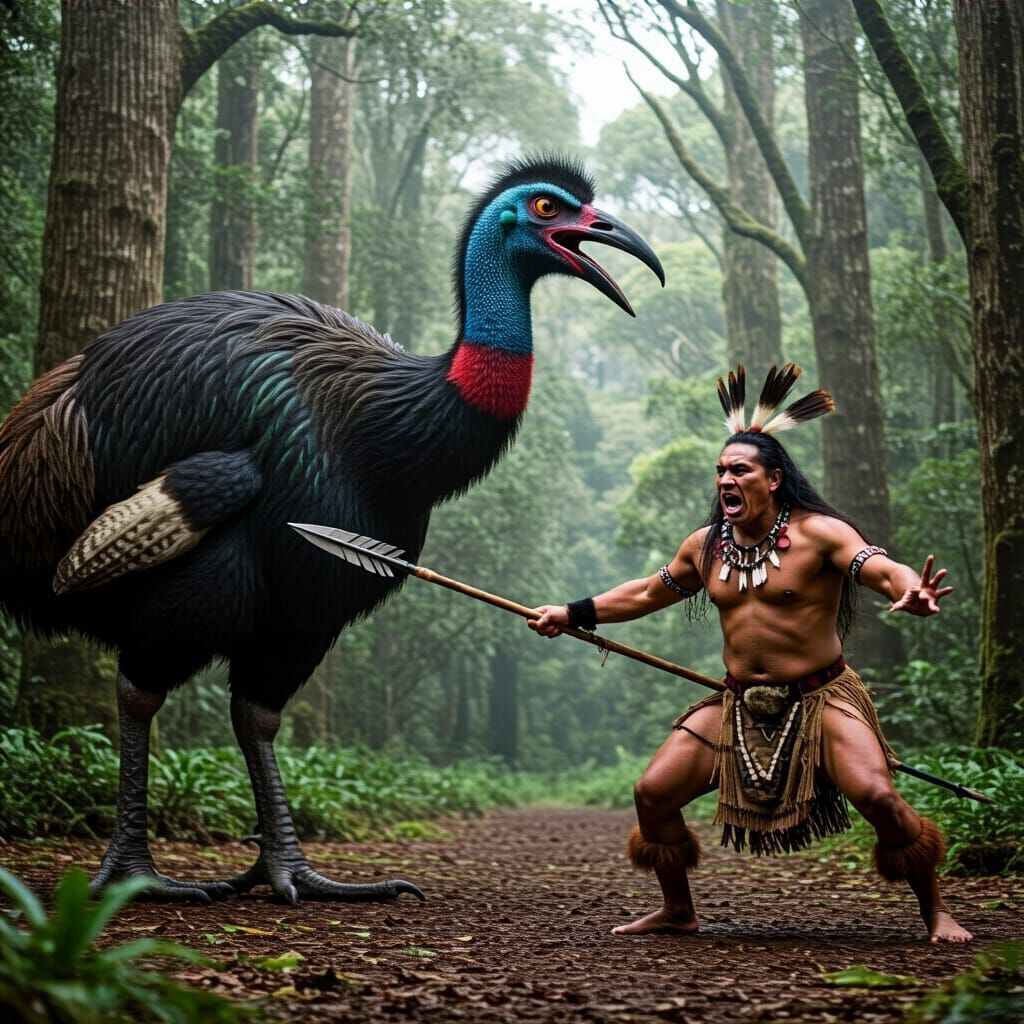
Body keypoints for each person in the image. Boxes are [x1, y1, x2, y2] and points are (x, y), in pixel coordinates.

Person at [529, 365, 971, 944]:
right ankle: (678, 911)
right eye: (720, 471)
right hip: (738, 703)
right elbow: (645, 593)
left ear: (774, 479)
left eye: (739, 470)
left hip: (820, 698)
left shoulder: (821, 533)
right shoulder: (707, 546)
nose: (725, 480)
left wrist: (909, 590)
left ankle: (935, 910)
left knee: (880, 798)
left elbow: (880, 567)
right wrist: (572, 612)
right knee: (652, 793)